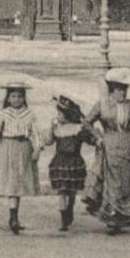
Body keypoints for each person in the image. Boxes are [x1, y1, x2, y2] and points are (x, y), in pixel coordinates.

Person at [82, 67, 130, 235]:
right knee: (111, 182)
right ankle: (112, 218)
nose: (122, 93)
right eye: (118, 90)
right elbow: (86, 122)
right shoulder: (102, 105)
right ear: (112, 90)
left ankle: (125, 217)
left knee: (127, 182)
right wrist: (98, 137)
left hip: (129, 147)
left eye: (124, 90)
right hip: (109, 146)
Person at [0, 79, 40, 234]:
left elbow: (36, 134)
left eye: (19, 96)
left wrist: (37, 149)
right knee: (11, 182)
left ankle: (15, 216)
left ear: (24, 98)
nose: (16, 100)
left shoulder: (29, 114)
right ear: (8, 98)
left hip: (23, 148)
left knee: (19, 182)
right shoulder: (3, 114)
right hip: (8, 147)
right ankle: (13, 217)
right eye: (13, 97)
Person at [44, 95, 98, 233]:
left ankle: (70, 208)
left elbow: (91, 140)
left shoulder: (78, 129)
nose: (58, 116)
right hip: (60, 162)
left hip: (74, 162)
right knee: (62, 191)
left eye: (60, 114)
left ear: (67, 115)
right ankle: (64, 220)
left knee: (71, 191)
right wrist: (51, 126)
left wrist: (94, 134)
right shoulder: (58, 129)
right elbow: (48, 141)